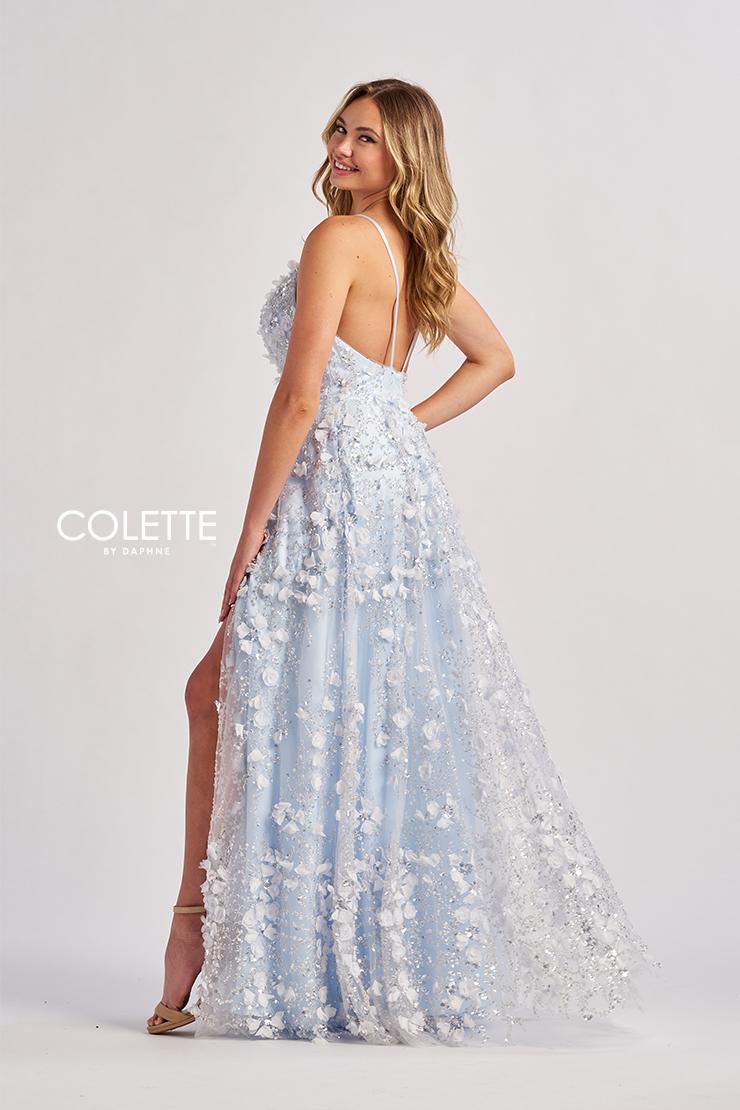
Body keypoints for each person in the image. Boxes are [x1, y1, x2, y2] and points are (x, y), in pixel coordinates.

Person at [147, 78, 658, 1044]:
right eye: (340, 129)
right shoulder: (409, 248)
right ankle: (306, 953)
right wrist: (398, 427)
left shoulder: (338, 239)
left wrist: (251, 528)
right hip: (389, 497)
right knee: (344, 705)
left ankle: (204, 936)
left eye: (368, 139)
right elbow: (495, 359)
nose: (342, 148)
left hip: (333, 497)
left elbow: (301, 398)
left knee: (273, 695)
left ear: (405, 156)